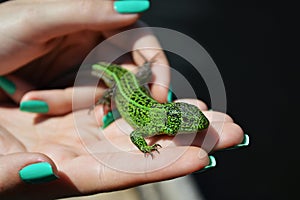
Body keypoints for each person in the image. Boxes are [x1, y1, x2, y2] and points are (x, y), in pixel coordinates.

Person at [0, 0, 246, 199]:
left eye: (193, 121)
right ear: (175, 119)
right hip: (118, 83)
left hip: (126, 81)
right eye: (190, 123)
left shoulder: (166, 117)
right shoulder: (156, 124)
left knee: (140, 77)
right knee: (119, 85)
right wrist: (146, 148)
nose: (196, 124)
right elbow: (135, 135)